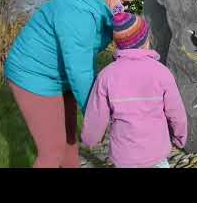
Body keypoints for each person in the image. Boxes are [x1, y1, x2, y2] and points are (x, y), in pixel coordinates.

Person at [4, 0, 138, 168]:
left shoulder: (102, 9)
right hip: (33, 75)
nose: (125, 8)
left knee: (69, 141)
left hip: (62, 75)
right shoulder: (77, 12)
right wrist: (96, 117)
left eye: (130, 4)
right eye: (123, 1)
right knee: (52, 152)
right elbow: (80, 72)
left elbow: (88, 55)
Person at [81, 13, 188, 168]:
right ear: (145, 40)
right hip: (156, 151)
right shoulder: (161, 72)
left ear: (118, 44)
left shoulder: (106, 76)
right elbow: (176, 112)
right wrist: (180, 137)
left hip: (124, 154)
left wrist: (90, 139)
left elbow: (96, 115)